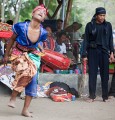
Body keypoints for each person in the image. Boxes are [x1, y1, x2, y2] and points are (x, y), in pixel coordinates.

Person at [3, 4, 48, 117]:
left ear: (43, 19)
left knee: (32, 81)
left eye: (44, 13)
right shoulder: (20, 26)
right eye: (39, 10)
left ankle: (25, 110)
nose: (42, 12)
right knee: (26, 71)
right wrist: (6, 55)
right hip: (18, 55)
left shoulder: (43, 33)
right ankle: (13, 96)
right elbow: (11, 40)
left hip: (33, 56)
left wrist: (41, 47)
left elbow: (38, 43)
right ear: (33, 13)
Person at [82, 7, 114, 102]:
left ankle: (105, 97)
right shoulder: (90, 25)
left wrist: (112, 53)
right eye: (100, 15)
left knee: (105, 75)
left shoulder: (108, 25)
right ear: (96, 15)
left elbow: (110, 40)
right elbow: (86, 40)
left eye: (104, 15)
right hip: (93, 51)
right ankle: (92, 96)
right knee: (92, 74)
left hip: (104, 52)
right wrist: (84, 55)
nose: (102, 17)